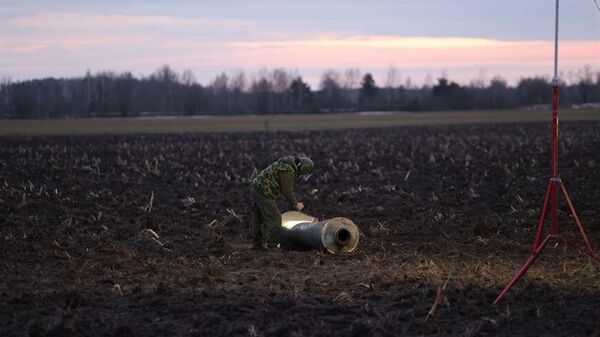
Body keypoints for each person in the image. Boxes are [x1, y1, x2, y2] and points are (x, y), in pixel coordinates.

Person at [251, 156, 314, 249]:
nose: (301, 176)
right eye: (303, 174)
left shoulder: (285, 165)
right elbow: (287, 191)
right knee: (276, 219)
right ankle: (272, 245)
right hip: (264, 193)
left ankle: (257, 244)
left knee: (259, 218)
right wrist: (295, 204)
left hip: (257, 189)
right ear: (302, 169)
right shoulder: (288, 171)